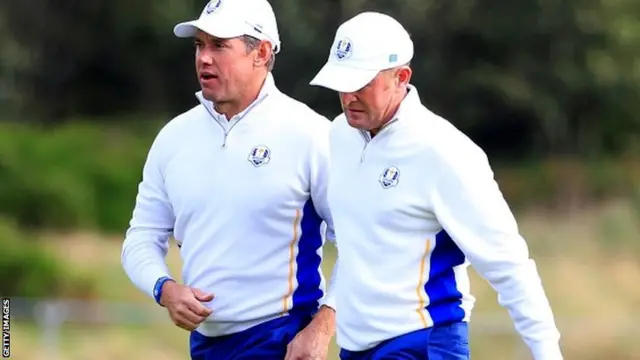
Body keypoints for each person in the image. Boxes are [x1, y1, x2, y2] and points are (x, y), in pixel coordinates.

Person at [309, 11, 563, 360]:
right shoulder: (338, 136)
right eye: (342, 82)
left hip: (424, 342)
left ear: (401, 77)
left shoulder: (444, 151)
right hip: (355, 347)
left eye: (361, 83)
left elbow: (508, 262)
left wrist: (546, 352)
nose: (348, 95)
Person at [121, 0, 337, 359]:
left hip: (283, 341)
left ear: (262, 52)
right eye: (199, 45)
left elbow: (360, 245)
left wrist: (322, 328)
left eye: (219, 45)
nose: (204, 57)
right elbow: (141, 237)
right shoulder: (173, 137)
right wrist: (165, 288)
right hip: (205, 346)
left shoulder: (312, 134)